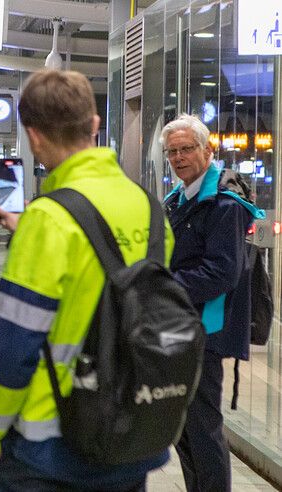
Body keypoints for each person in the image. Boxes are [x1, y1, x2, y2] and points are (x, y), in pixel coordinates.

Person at [0, 68, 173, 491]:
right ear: (95, 125)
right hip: (131, 432)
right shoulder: (150, 209)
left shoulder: (48, 220)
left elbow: (13, 344)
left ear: (34, 136)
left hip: (50, 447)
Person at [161, 114, 263, 492]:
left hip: (206, 328)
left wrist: (163, 285)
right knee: (182, 427)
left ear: (207, 150)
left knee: (203, 426)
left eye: (186, 149)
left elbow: (222, 273)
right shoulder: (180, 198)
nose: (178, 157)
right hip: (180, 325)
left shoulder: (224, 203)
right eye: (172, 151)